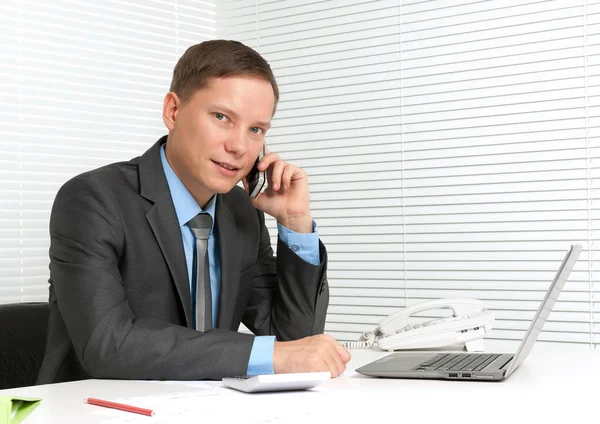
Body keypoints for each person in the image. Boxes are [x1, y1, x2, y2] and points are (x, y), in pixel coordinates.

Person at [36, 39, 350, 384]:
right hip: (94, 407)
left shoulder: (241, 212)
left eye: (256, 129)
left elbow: (294, 343)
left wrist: (295, 223)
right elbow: (108, 344)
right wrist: (266, 354)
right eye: (221, 117)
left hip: (201, 407)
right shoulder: (93, 200)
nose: (240, 147)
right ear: (173, 111)